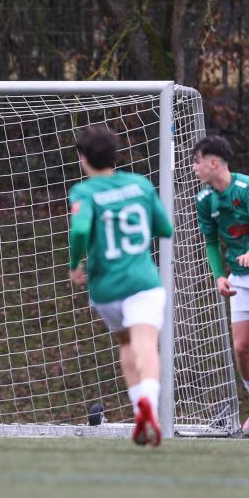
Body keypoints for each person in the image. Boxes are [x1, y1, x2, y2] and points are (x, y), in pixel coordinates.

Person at [68, 125, 172, 447]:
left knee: (126, 343)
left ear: (83, 158)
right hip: (142, 281)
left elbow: (81, 230)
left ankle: (138, 405)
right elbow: (164, 227)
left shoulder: (84, 192)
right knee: (145, 342)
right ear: (115, 155)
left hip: (106, 288)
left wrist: (75, 263)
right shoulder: (140, 185)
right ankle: (149, 405)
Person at [194, 135, 249, 437]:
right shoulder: (205, 200)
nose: (194, 168)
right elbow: (212, 242)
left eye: (197, 161)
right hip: (240, 277)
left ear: (214, 162)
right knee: (241, 347)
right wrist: (219, 275)